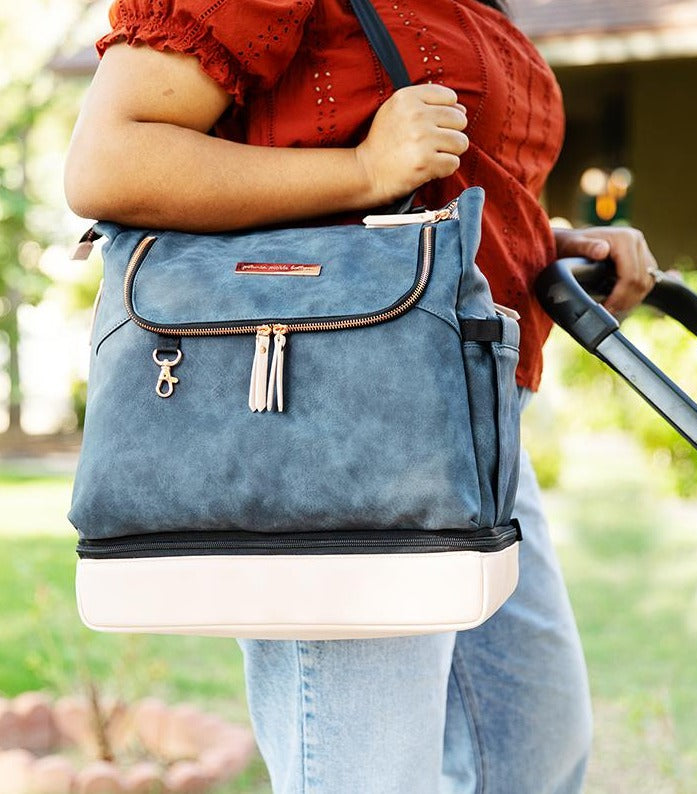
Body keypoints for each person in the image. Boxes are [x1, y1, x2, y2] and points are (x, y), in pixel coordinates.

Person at [65, 1, 660, 791]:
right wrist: (364, 172)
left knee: (530, 754)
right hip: (335, 419)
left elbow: (408, 189)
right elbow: (108, 160)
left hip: (472, 421)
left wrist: (541, 239)